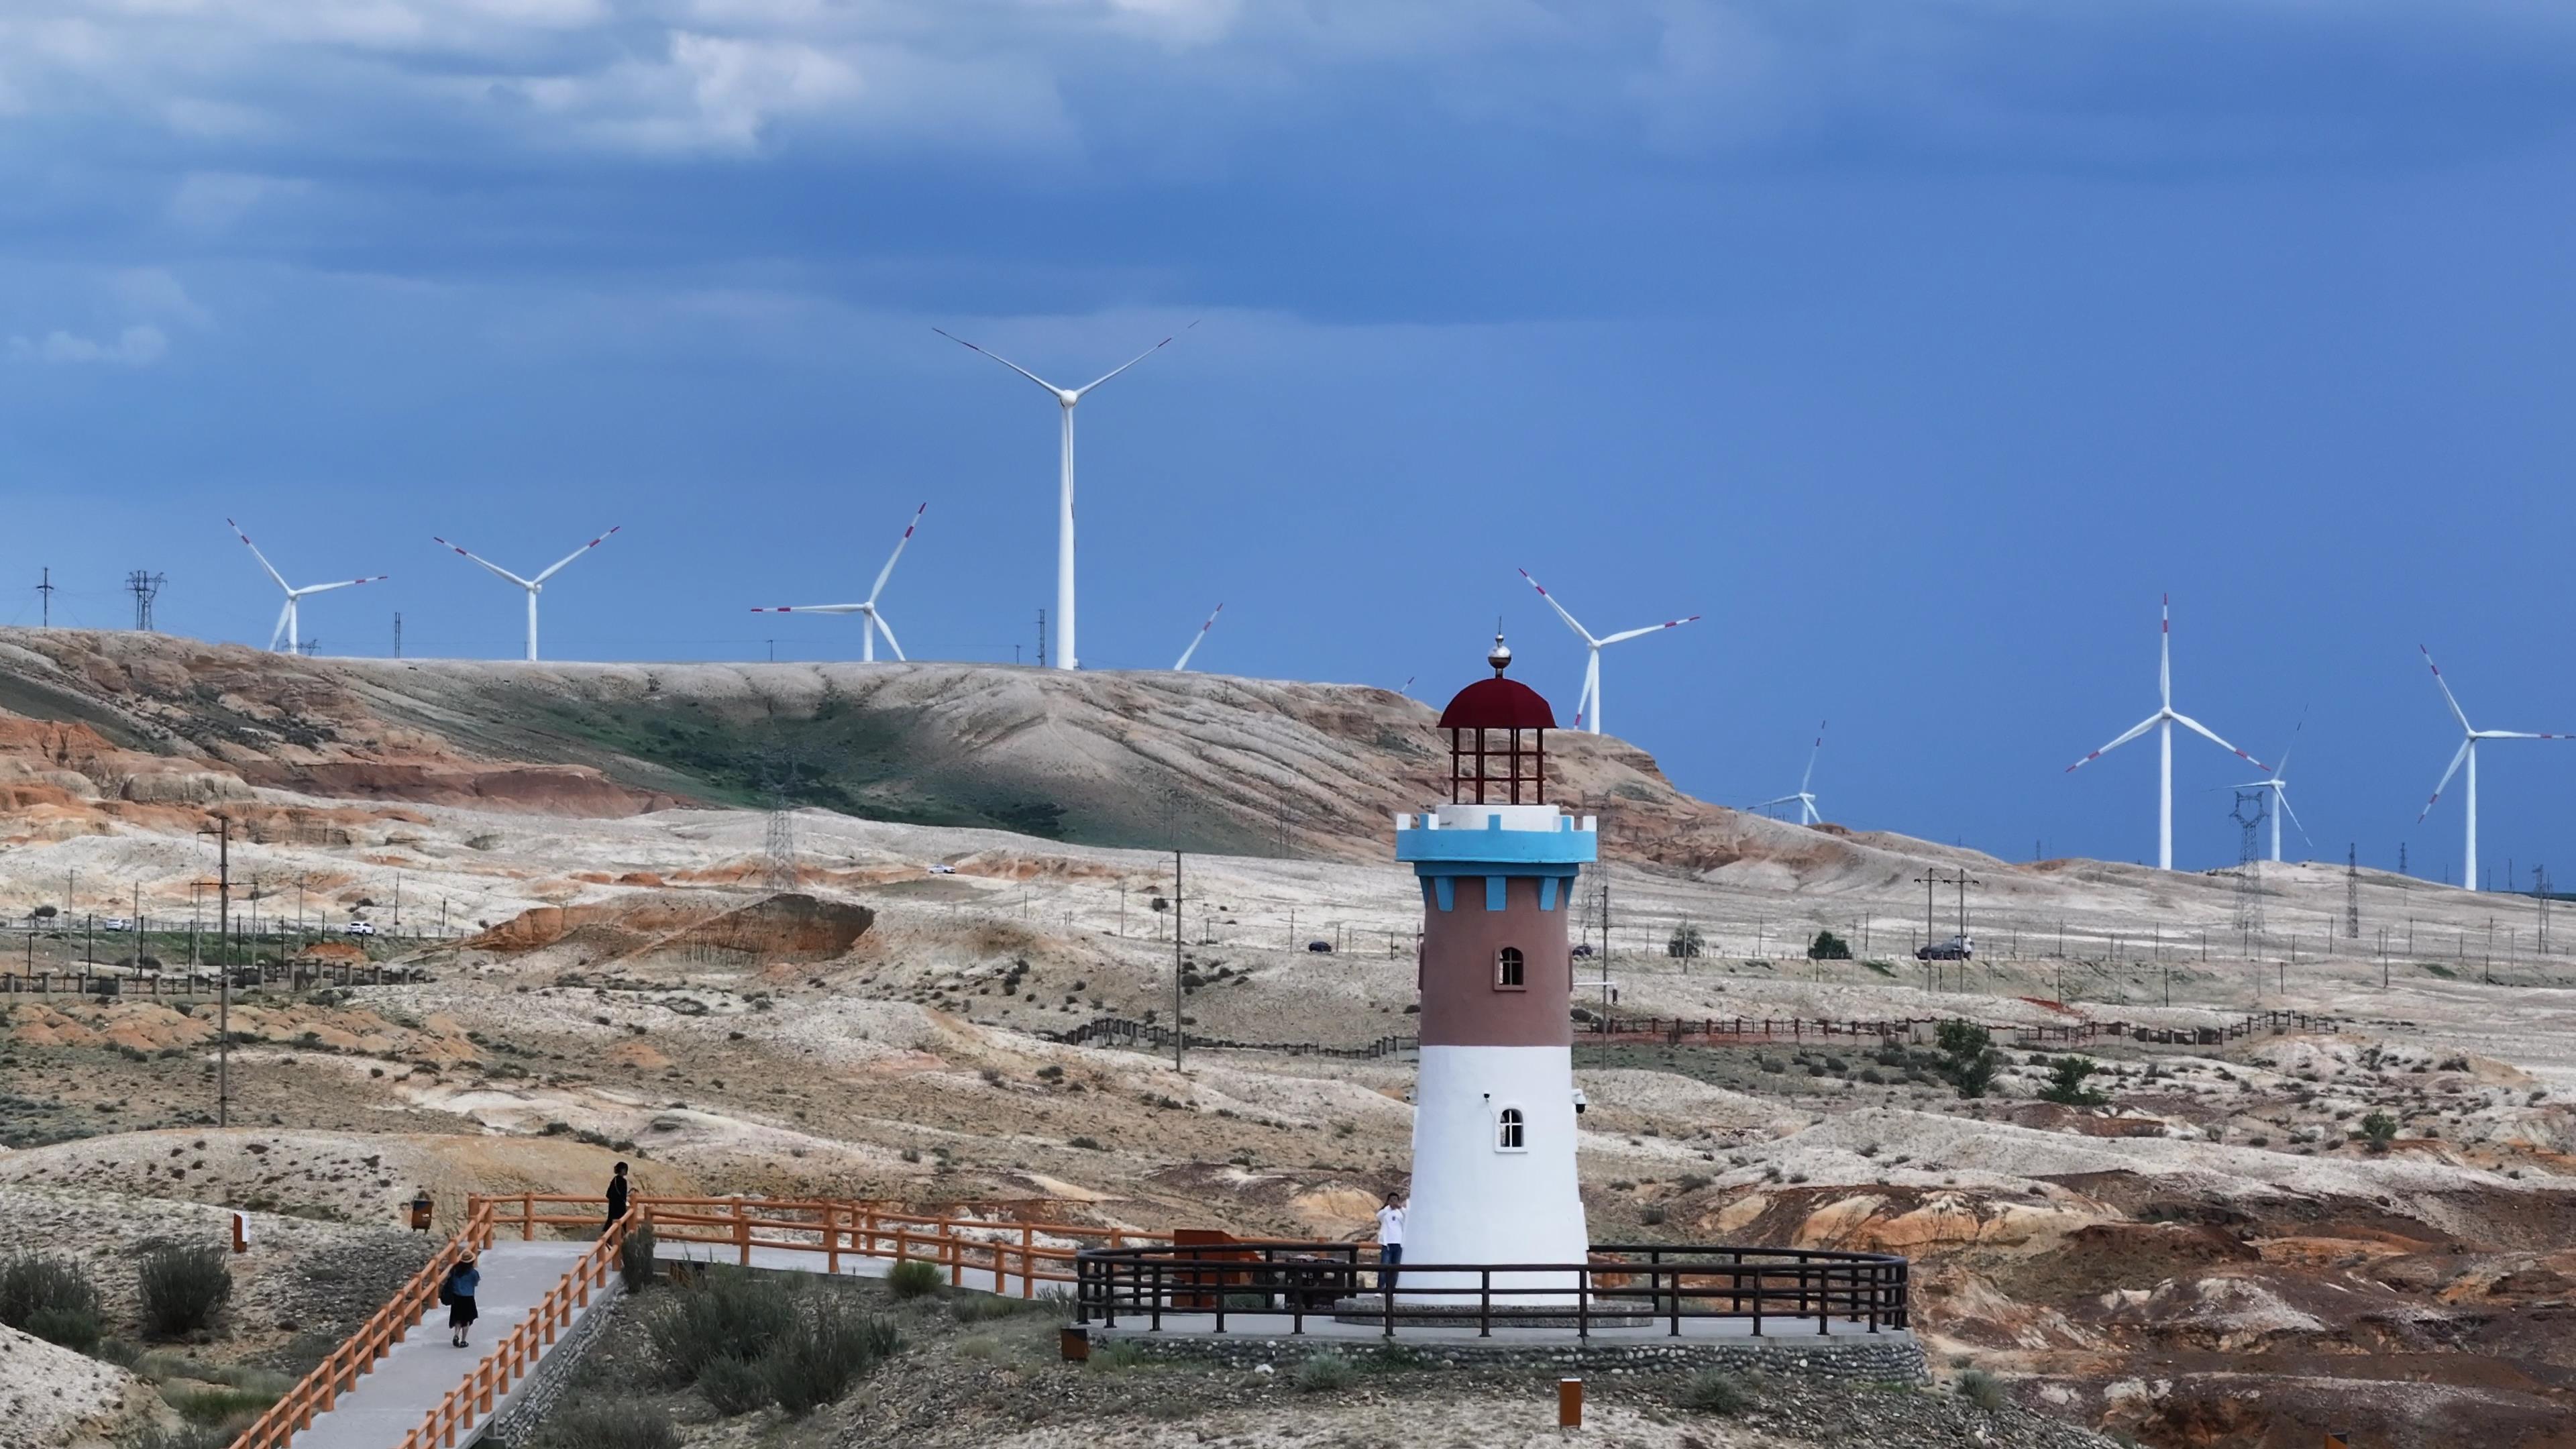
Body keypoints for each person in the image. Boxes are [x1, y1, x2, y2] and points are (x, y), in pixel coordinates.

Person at [443, 1253, 480, 1348]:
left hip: (457, 1297)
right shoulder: (473, 1273)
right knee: (467, 1320)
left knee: (457, 1318)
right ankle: (463, 1340)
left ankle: (456, 1335)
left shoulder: (455, 1270)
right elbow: (476, 1283)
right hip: (468, 1298)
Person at [1375, 1192, 1406, 1293]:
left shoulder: (1401, 1212)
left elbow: (1408, 1217)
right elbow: (1378, 1216)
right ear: (1388, 1201)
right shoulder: (1385, 1212)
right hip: (1387, 1244)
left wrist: (1399, 1208)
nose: (1394, 1202)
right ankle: (1380, 1289)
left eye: (1396, 1200)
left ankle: (1392, 1289)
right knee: (1384, 1267)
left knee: (1395, 1269)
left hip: (1398, 1244)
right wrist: (1389, 1207)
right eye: (1391, 1200)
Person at [604, 1161, 629, 1232]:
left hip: (612, 1205)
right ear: (623, 1170)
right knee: (623, 1223)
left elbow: (608, 1194)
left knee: (610, 1223)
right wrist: (627, 1203)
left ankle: (604, 1237)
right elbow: (623, 1196)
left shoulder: (614, 1180)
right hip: (620, 1207)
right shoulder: (623, 1181)